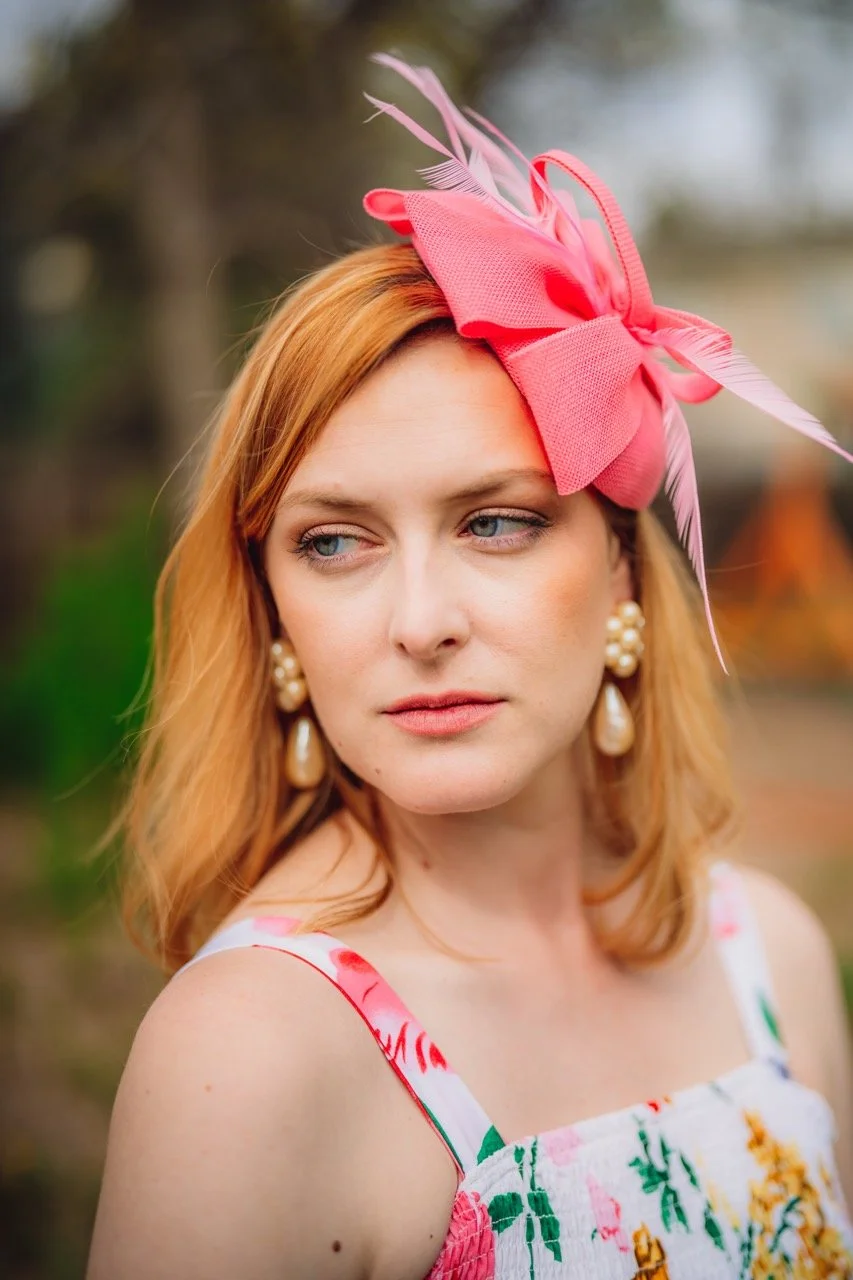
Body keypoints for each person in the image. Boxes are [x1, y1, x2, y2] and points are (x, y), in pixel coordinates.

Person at [88, 56, 852, 1280]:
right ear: (275, 617)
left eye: (494, 520)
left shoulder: (771, 953)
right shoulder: (250, 1057)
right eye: (333, 542)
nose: (421, 618)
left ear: (618, 573)